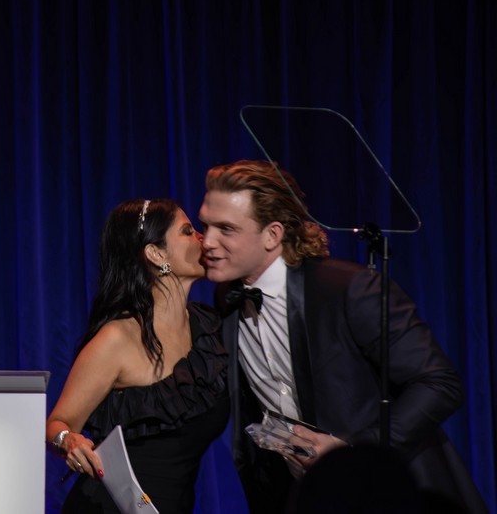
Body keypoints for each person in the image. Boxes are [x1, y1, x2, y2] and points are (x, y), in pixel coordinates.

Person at [198, 159, 486, 513]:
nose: (207, 241)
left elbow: (440, 383)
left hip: (387, 492)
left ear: (272, 235)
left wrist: (351, 451)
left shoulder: (348, 290)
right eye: (205, 225)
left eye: (226, 229)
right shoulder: (227, 297)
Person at [46, 198, 230, 513]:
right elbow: (57, 424)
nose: (204, 239)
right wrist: (69, 440)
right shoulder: (117, 339)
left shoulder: (208, 327)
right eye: (188, 231)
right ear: (156, 254)